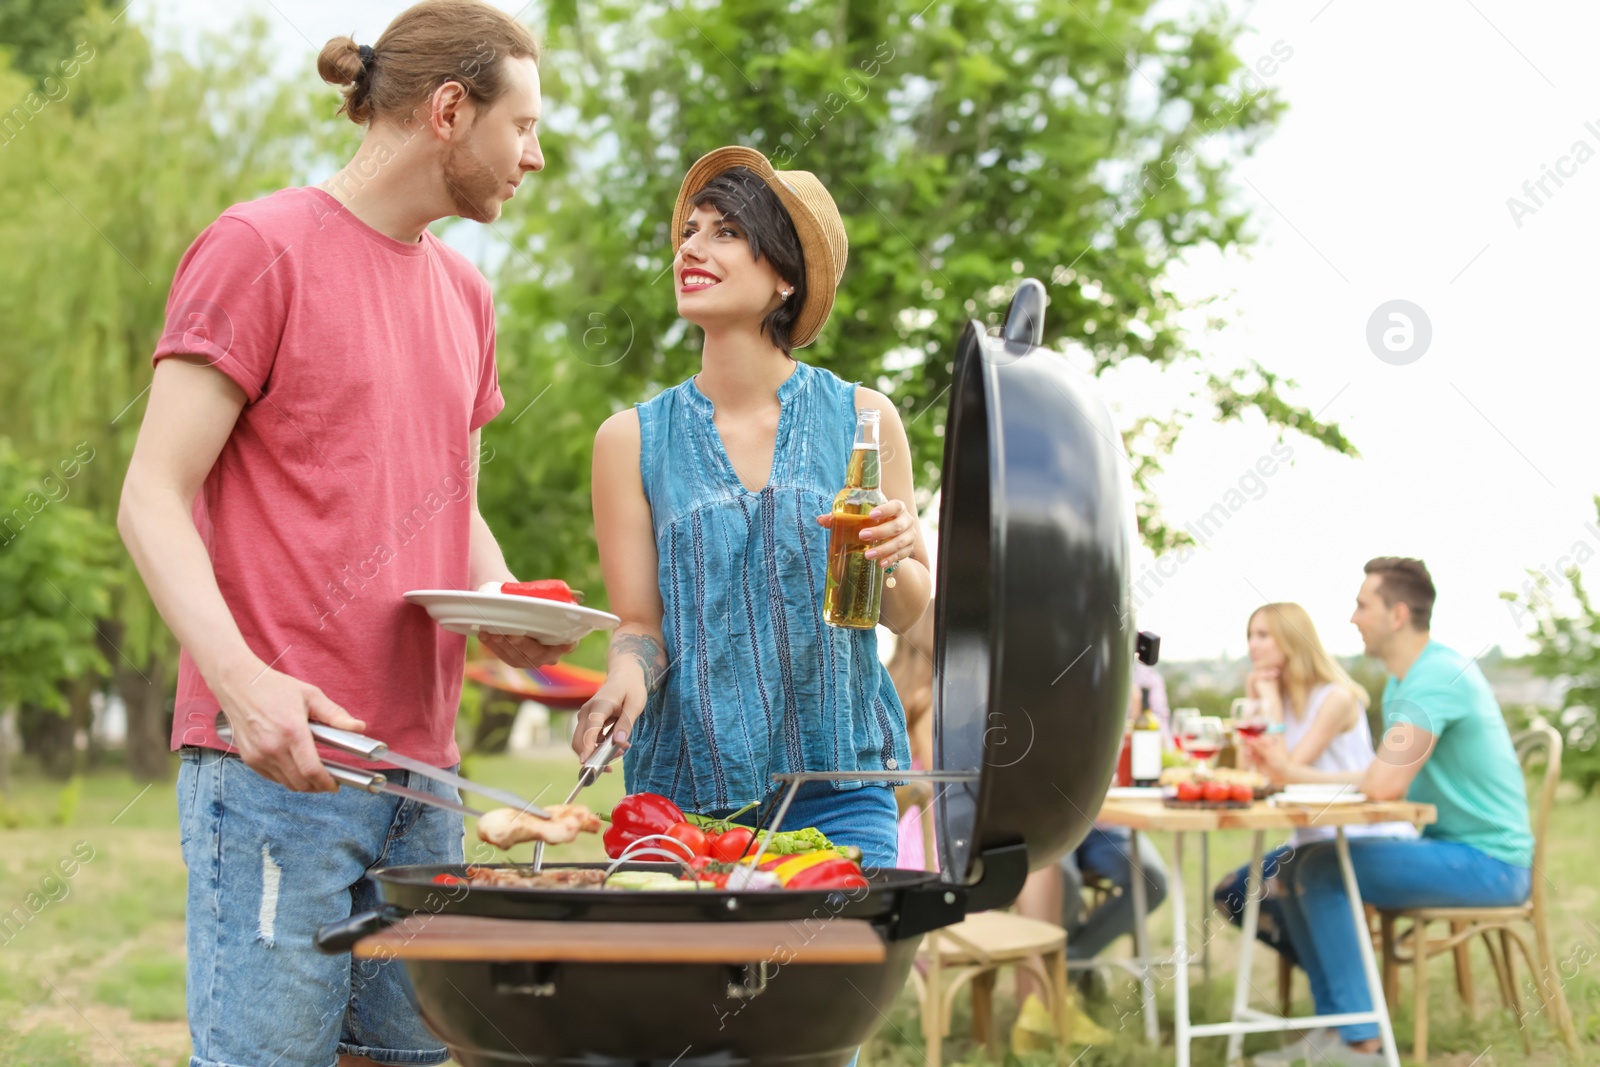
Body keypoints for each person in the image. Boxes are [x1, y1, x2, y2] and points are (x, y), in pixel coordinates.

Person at [117, 5, 563, 1065]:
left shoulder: (465, 293)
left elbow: (442, 497)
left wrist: (504, 603)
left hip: (425, 779)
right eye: (526, 126)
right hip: (279, 767)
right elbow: (149, 495)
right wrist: (241, 681)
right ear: (451, 112)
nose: (536, 157)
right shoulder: (258, 249)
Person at [575, 147, 932, 871]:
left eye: (725, 232)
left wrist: (899, 551)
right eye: (689, 231)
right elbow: (642, 627)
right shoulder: (630, 441)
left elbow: (905, 610)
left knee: (826, 982)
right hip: (685, 802)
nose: (691, 248)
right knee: (701, 990)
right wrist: (622, 674)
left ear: (784, 276)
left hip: (837, 783)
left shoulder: (864, 418)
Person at [1243, 559, 1533, 1066]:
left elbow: (1383, 783)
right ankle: (1337, 1032)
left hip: (1490, 864)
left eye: (1362, 605)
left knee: (1320, 867)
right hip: (1448, 848)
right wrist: (1297, 772)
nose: (1353, 618)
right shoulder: (1405, 682)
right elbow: (1380, 778)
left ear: (1397, 614)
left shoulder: (1433, 679)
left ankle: (1360, 1045)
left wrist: (1291, 771)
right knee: (1298, 865)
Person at [1211, 602, 1416, 972]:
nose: (1252, 646)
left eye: (1262, 635)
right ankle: (1340, 973)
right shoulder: (1280, 699)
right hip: (1312, 840)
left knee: (1272, 885)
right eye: (1249, 636)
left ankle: (1348, 978)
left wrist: (1268, 702)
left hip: (1363, 834)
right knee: (1231, 893)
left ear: (1291, 640)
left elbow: (1283, 772)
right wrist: (1258, 703)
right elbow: (1251, 777)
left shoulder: (1335, 697)